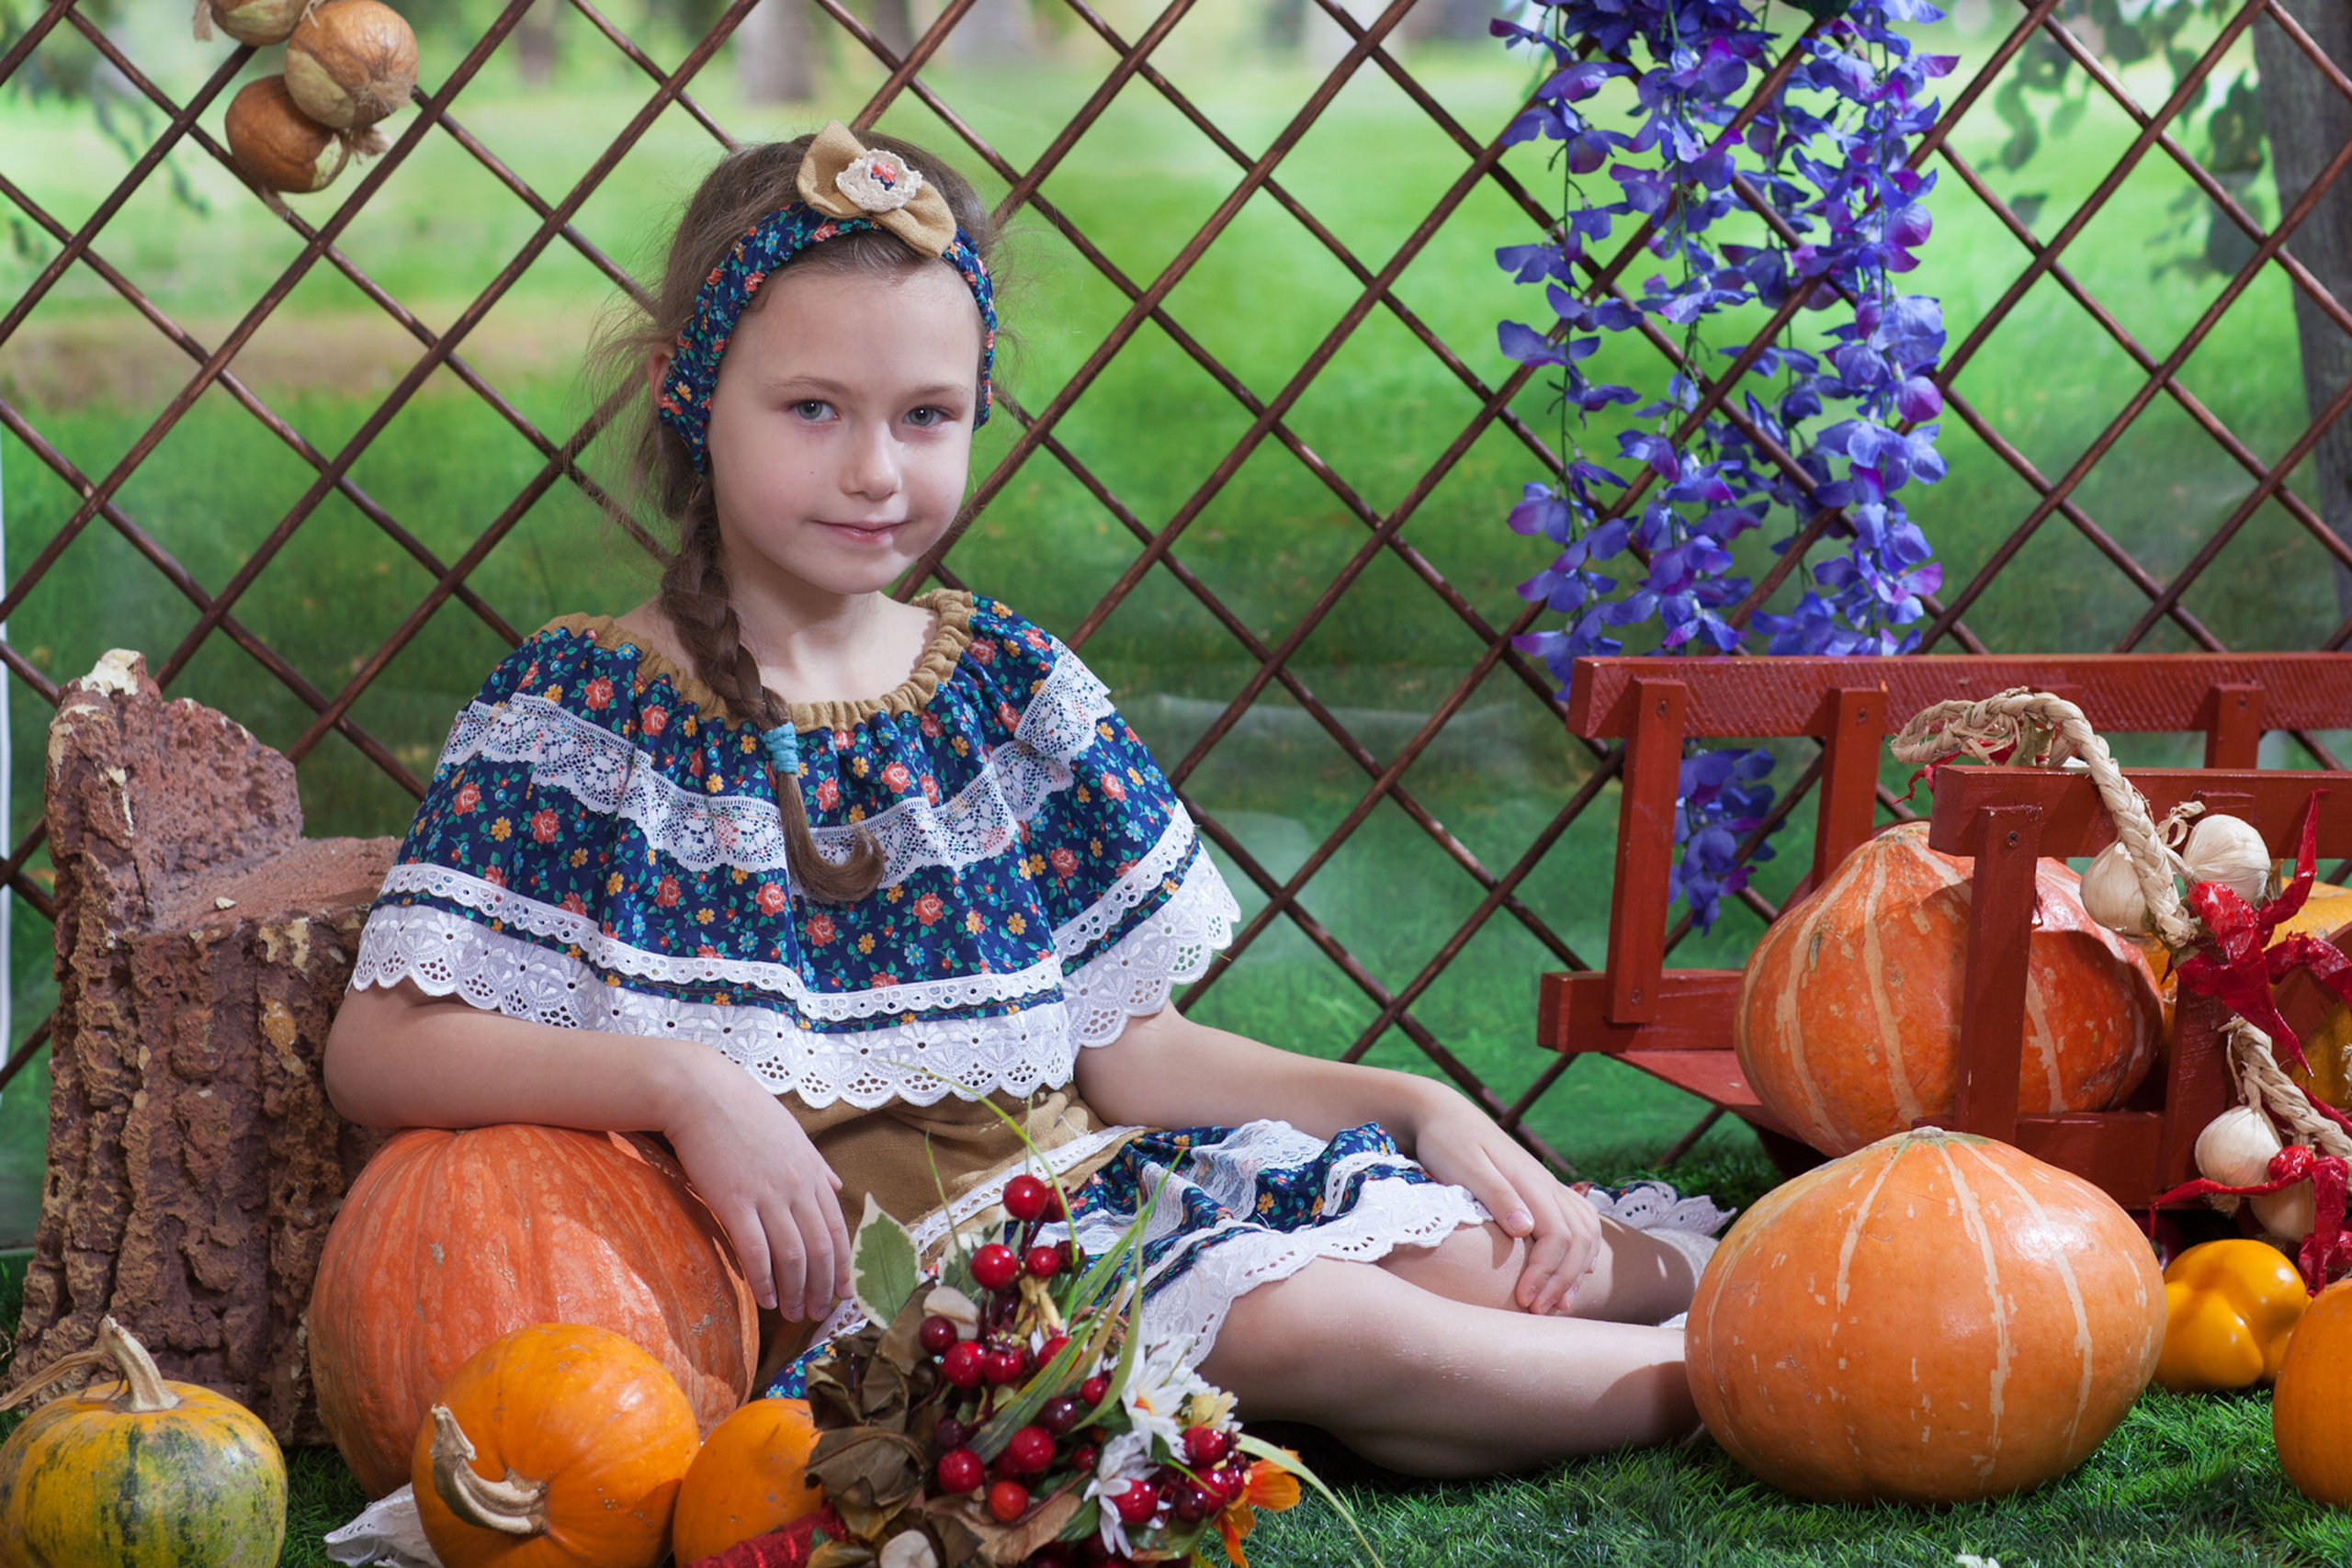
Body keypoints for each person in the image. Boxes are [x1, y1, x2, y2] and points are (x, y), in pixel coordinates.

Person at [322, 121, 1730, 1480]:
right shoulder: (589, 717)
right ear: (690, 399)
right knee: (1311, 1324)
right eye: (814, 410)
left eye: (928, 416)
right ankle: (1730, 1384)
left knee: (1458, 1248)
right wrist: (683, 1083)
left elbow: (1132, 1056)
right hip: (898, 1307)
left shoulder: (1006, 691)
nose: (878, 470)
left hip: (1087, 1200)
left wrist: (1409, 1100)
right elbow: (381, 1048)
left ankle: (1745, 1290)